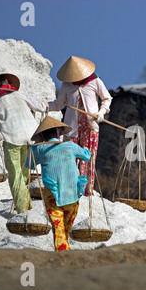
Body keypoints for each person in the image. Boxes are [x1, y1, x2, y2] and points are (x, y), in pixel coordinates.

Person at [45, 55, 112, 196]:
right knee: (69, 158)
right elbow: (58, 104)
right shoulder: (67, 85)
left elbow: (106, 98)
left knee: (88, 158)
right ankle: (70, 190)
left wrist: (101, 112)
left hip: (90, 127)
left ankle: (87, 191)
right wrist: (43, 106)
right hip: (71, 128)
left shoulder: (95, 81)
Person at [0, 73, 47, 213]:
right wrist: (45, 105)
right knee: (24, 173)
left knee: (15, 176)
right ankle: (27, 205)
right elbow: (40, 107)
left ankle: (23, 210)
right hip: (30, 139)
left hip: (12, 140)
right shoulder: (21, 94)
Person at [29, 116, 91, 251]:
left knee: (59, 229)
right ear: (58, 132)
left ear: (42, 135)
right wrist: (85, 148)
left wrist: (36, 146)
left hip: (53, 194)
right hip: (72, 194)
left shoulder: (40, 149)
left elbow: (29, 164)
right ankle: (64, 253)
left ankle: (63, 254)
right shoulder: (70, 145)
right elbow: (86, 156)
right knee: (64, 230)